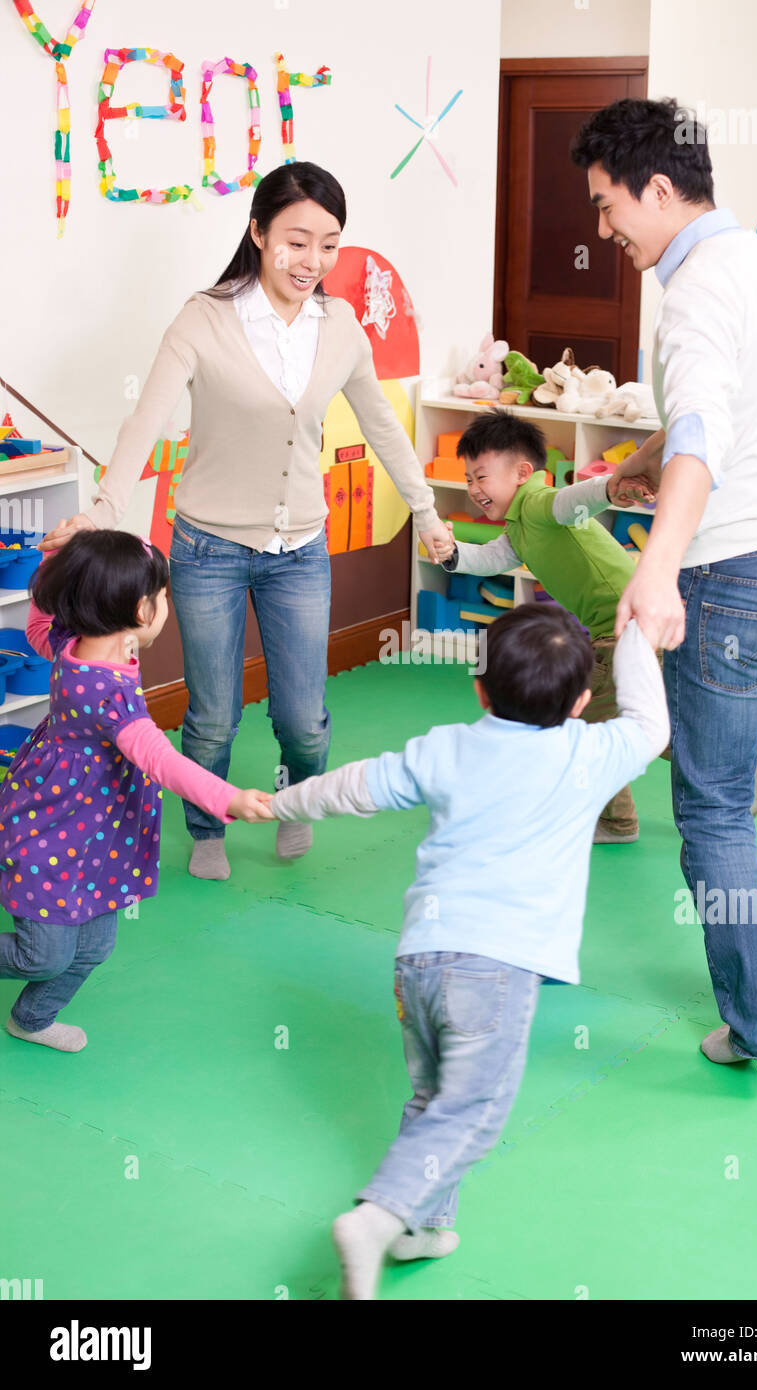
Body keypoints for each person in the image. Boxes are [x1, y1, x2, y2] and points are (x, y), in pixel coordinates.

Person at [38, 162, 452, 884]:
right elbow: (147, 420)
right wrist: (101, 512)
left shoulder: (341, 325)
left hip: (302, 549)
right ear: (259, 232)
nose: (312, 261)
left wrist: (427, 511)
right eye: (296, 241)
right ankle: (207, 827)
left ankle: (296, 802)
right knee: (212, 715)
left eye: (328, 244)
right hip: (207, 548)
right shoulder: (204, 318)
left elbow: (383, 425)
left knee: (304, 718)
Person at [571, 97, 757, 1062]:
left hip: (738, 576)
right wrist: (635, 463)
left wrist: (656, 567)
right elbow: (729, 411)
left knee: (709, 801)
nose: (604, 230)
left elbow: (704, 430)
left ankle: (756, 1023)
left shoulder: (692, 290)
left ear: (659, 189)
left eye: (610, 206)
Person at [268, 603, 669, 1298]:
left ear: (479, 688)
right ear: (580, 702)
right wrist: (635, 630)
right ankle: (379, 1217)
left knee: (434, 1096)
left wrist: (279, 805)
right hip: (497, 970)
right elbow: (650, 723)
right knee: (476, 1110)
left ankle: (424, 1225)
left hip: (418, 959)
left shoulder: (446, 746)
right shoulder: (589, 752)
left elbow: (354, 785)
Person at [0, 533, 274, 1053]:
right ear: (140, 608)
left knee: (96, 944)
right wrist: (228, 799)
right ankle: (35, 999)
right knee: (44, 956)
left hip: (96, 832)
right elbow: (160, 759)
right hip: (53, 829)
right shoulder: (106, 693)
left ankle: (31, 1017)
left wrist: (58, 557)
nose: (167, 605)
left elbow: (38, 621)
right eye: (164, 596)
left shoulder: (74, 637)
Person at [438, 407, 658, 842]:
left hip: (626, 623)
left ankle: (617, 820)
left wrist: (610, 487)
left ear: (522, 472)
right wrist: (452, 553)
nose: (473, 488)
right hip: (622, 624)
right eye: (468, 479)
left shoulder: (539, 503)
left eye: (481, 476)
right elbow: (491, 558)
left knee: (585, 721)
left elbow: (575, 500)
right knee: (635, 716)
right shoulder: (518, 527)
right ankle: (726, 772)